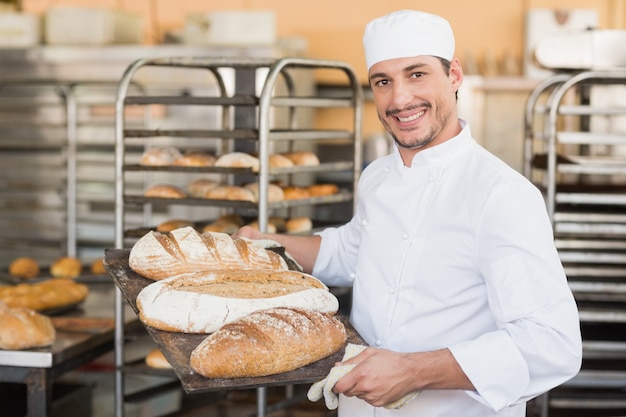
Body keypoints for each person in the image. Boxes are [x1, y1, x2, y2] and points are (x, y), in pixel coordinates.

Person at [235, 9, 582, 417]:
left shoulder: (501, 194)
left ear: (454, 75)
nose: (399, 99)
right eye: (383, 82)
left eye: (416, 74)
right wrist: (265, 246)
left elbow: (551, 343)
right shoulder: (378, 177)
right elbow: (351, 252)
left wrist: (413, 371)